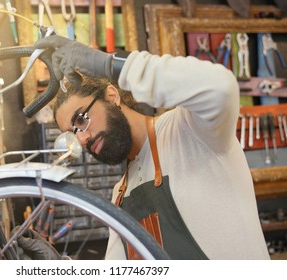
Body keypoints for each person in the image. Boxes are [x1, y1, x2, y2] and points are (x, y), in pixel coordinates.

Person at [17, 35, 269, 260]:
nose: (82, 140)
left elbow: (221, 87)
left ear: (112, 96)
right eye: (72, 135)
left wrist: (110, 64)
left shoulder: (189, 130)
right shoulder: (120, 195)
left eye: (81, 120)